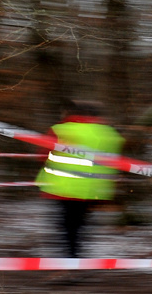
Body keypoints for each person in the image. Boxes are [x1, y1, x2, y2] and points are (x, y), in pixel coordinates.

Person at [35, 99, 124, 259]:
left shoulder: (62, 130)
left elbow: (42, 155)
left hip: (65, 188)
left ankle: (71, 264)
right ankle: (76, 262)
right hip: (96, 189)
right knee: (80, 227)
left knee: (67, 229)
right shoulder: (109, 133)